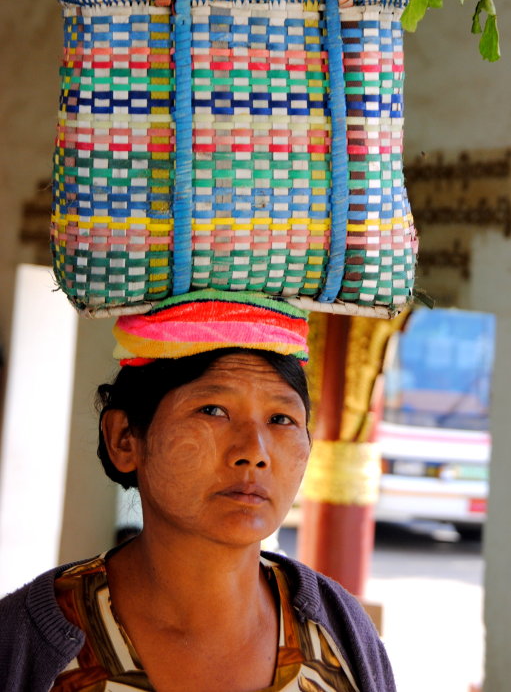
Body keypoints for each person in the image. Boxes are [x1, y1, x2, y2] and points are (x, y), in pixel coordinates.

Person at [0, 290, 397, 692]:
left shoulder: (342, 634)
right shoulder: (23, 644)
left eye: (281, 418)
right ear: (125, 439)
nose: (254, 453)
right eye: (213, 411)